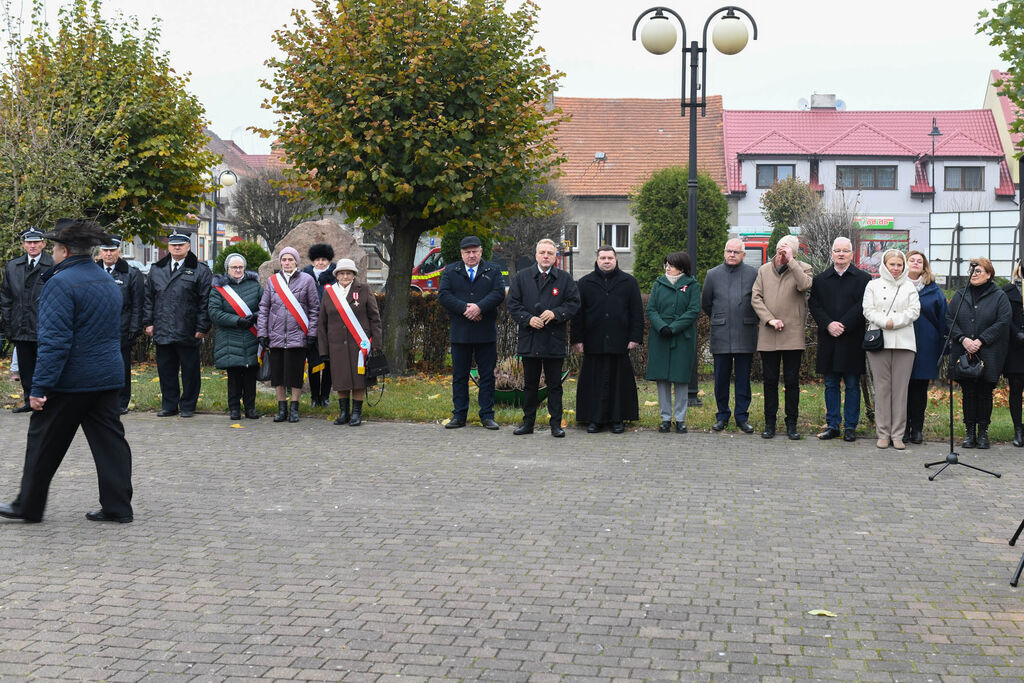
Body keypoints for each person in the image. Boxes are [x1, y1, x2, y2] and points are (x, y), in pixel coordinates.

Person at [0, 219, 133, 524]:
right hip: (108, 376)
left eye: (56, 247)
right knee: (111, 444)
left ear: (63, 251)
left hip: (71, 382)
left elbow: (55, 343)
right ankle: (118, 507)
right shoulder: (104, 279)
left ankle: (28, 506)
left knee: (43, 441)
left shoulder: (59, 283)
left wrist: (39, 387)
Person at [507, 238, 580, 437]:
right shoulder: (522, 277)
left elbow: (574, 303)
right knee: (530, 385)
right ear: (536, 255)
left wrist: (556, 314)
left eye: (550, 253)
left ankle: (556, 425)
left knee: (555, 385)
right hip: (530, 338)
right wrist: (527, 319)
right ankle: (527, 424)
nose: (546, 256)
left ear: (555, 257)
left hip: (553, 339)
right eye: (542, 253)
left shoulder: (564, 279)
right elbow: (513, 304)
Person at [571, 246, 643, 433]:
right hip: (593, 341)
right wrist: (577, 340)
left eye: (610, 257)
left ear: (616, 259)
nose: (606, 261)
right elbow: (577, 314)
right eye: (602, 257)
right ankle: (595, 419)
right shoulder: (585, 283)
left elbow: (636, 312)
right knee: (593, 382)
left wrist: (635, 337)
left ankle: (617, 419)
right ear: (597, 260)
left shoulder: (629, 282)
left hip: (619, 341)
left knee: (618, 383)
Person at [438, 235, 507, 430]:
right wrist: (465, 309)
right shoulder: (451, 270)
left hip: (485, 332)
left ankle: (487, 415)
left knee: (487, 376)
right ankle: (459, 415)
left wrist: (479, 308)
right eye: (467, 252)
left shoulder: (492, 270)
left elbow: (498, 293)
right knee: (460, 376)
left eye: (474, 252)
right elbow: (443, 295)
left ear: (481, 251)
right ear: (461, 254)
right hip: (460, 333)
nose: (471, 256)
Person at [143, 229, 213, 418]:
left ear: (189, 246)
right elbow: (148, 298)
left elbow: (205, 301)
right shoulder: (156, 269)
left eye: (180, 244)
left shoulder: (201, 270)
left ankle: (188, 405)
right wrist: (148, 322)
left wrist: (202, 327)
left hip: (187, 329)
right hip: (162, 328)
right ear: (168, 246)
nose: (176, 247)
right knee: (166, 370)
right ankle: (169, 405)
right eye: (173, 244)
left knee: (190, 371)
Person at [808, 236, 871, 442]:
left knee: (852, 384)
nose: (841, 254)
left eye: (845, 251)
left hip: (852, 338)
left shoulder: (863, 279)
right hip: (829, 339)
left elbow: (863, 305)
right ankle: (833, 425)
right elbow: (815, 305)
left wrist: (843, 324)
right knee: (830, 383)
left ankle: (850, 426)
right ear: (832, 253)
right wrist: (829, 324)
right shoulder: (821, 279)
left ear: (852, 254)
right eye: (837, 250)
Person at [751, 235, 813, 440]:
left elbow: (804, 286)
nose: (781, 253)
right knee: (769, 381)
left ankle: (791, 424)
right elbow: (756, 297)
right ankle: (770, 423)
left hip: (792, 334)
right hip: (769, 333)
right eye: (779, 249)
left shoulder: (803, 268)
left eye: (786, 250)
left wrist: (792, 262)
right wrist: (769, 320)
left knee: (792, 381)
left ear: (794, 252)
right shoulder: (763, 270)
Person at [948, 257, 1010, 449]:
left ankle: (983, 433)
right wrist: (963, 339)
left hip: (989, 352)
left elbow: (1003, 320)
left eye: (978, 271)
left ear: (989, 274)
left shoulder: (999, 296)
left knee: (984, 393)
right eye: (972, 271)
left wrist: (981, 340)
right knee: (968, 393)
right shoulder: (961, 294)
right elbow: (949, 318)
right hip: (964, 351)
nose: (974, 274)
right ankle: (969, 433)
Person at [862, 250, 920, 450]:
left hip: (904, 343)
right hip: (879, 342)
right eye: (892, 264)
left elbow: (914, 311)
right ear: (884, 265)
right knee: (882, 389)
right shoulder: (872, 285)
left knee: (900, 391)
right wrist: (883, 322)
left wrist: (893, 322)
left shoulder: (909, 286)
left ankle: (898, 434)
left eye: (899, 265)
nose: (896, 269)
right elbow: (868, 310)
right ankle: (883, 433)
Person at [701, 238, 759, 434]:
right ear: (724, 253)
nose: (732, 255)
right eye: (728, 251)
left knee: (743, 379)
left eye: (736, 252)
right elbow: (706, 303)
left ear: (743, 254)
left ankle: (742, 417)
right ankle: (722, 416)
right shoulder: (712, 275)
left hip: (745, 332)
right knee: (721, 379)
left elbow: (758, 300)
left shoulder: (753, 273)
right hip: (721, 333)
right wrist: (720, 318)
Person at [257, 247, 319, 423]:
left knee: (295, 375)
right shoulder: (272, 281)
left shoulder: (307, 280)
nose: (287, 263)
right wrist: (262, 332)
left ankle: (294, 408)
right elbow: (264, 308)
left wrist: (312, 333)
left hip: (298, 336)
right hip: (275, 336)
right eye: (284, 259)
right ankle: (281, 408)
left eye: (290, 259)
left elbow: (314, 309)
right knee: (278, 375)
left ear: (296, 262)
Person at [317, 259, 382, 426]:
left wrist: (376, 344)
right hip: (336, 344)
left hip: (359, 344)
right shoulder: (329, 293)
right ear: (336, 275)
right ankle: (343, 412)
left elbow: (375, 318)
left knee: (359, 379)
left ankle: (356, 413)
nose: (345, 276)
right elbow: (322, 323)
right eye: (341, 273)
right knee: (341, 378)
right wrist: (323, 349)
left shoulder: (364, 290)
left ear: (354, 275)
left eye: (348, 273)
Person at [0, 228, 55, 413]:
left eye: (36, 242)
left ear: (43, 244)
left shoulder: (53, 264)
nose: (32, 246)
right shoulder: (13, 266)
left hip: (45, 326)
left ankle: (47, 400)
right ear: (23, 244)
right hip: (20, 325)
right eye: (29, 242)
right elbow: (6, 298)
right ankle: (28, 400)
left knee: (46, 365)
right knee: (25, 367)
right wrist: (8, 324)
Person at [646, 251, 700, 433]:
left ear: (682, 268)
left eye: (671, 265)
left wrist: (674, 327)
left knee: (680, 378)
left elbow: (693, 311)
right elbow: (651, 309)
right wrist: (662, 326)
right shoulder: (658, 284)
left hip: (682, 338)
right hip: (660, 336)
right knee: (662, 379)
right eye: (666, 264)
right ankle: (665, 418)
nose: (667, 268)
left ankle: (681, 419)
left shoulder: (692, 285)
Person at [209, 253, 263, 420]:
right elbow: (215, 313)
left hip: (251, 335)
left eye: (240, 267)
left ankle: (250, 408)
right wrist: (237, 321)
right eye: (234, 267)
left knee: (250, 376)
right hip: (230, 336)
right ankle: (234, 408)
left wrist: (254, 316)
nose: (238, 270)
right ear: (227, 269)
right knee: (234, 376)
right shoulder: (218, 289)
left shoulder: (255, 286)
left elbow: (265, 306)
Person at [96, 235, 144, 415]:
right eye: (105, 250)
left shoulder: (131, 274)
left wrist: (134, 328)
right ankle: (99, 401)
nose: (108, 254)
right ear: (100, 252)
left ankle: (121, 401)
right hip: (97, 329)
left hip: (121, 328)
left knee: (121, 366)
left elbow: (137, 304)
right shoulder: (92, 271)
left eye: (112, 250)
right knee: (98, 365)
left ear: (119, 251)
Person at [905, 250, 948, 445]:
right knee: (901, 387)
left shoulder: (934, 290)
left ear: (924, 266)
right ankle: (902, 428)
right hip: (902, 342)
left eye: (919, 261)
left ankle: (917, 429)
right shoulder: (897, 285)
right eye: (911, 260)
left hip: (926, 344)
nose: (915, 263)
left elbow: (943, 319)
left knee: (919, 388)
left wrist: (944, 345)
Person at [301, 243, 337, 407]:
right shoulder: (304, 276)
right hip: (310, 328)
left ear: (329, 261)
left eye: (324, 260)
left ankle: (325, 396)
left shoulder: (335, 278)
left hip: (330, 329)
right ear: (313, 261)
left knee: (329, 365)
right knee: (314, 364)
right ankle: (314, 397)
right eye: (317, 259)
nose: (320, 263)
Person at [1004, 262, 1024, 447]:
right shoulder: (1008, 291)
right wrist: (1016, 332)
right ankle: (1018, 428)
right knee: (1016, 389)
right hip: (1016, 347)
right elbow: (1004, 316)